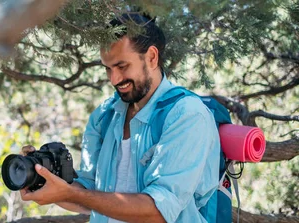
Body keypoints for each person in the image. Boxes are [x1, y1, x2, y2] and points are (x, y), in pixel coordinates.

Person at [19, 13, 220, 223]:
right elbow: (89, 194)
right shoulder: (104, 115)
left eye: (122, 67)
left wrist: (72, 193)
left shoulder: (187, 114)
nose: (114, 79)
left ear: (152, 57)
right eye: (108, 68)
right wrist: (43, 180)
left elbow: (159, 210)